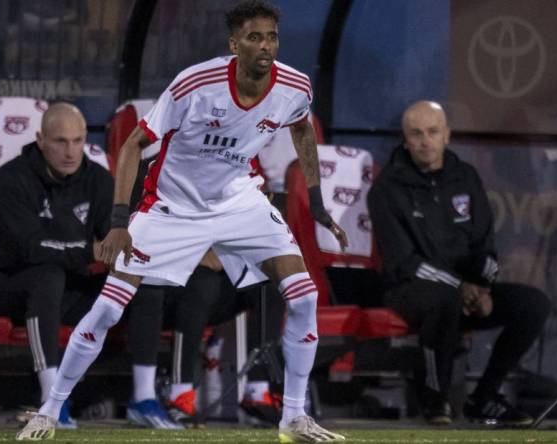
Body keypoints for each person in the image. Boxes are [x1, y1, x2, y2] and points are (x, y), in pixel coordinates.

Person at [17, 1, 347, 442]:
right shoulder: (197, 83)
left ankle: (293, 417)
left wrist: (318, 199)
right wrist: (120, 221)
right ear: (234, 44)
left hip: (239, 202)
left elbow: (302, 128)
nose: (265, 46)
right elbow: (135, 145)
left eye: (271, 37)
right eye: (254, 37)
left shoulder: (295, 87)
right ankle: (50, 411)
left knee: (304, 295)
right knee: (109, 308)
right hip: (171, 207)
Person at [367, 100, 551, 426]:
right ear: (405, 139)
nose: (425, 141)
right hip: (409, 289)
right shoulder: (386, 189)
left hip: (467, 289)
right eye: (417, 134)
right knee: (444, 300)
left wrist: (483, 287)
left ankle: (483, 399)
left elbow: (486, 244)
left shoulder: (465, 176)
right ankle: (435, 400)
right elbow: (404, 262)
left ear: (447, 135)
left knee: (533, 304)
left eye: (433, 132)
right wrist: (460, 287)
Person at [0, 102, 113, 428]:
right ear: (41, 140)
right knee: (47, 275)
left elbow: (112, 242)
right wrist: (88, 251)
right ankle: (51, 400)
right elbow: (31, 249)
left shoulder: (98, 179)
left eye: (78, 141)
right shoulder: (11, 179)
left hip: (66, 288)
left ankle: (147, 395)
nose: (70, 151)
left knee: (125, 286)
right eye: (60, 141)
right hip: (6, 288)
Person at [125, 250, 285, 429]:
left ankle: (256, 394)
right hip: (167, 287)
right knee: (202, 283)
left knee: (267, 287)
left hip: (212, 279)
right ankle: (180, 395)